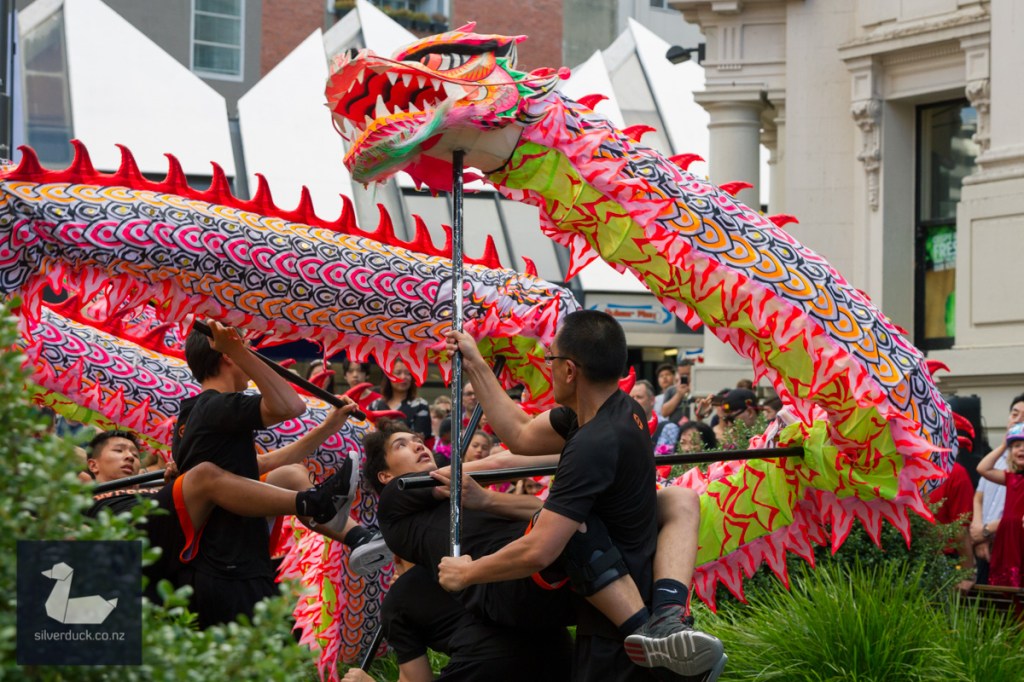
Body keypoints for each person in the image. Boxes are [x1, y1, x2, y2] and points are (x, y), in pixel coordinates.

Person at [444, 311, 724, 681]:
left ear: (570, 370)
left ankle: (665, 659)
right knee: (677, 497)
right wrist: (477, 365)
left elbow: (538, 550)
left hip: (615, 634)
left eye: (552, 360)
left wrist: (467, 572)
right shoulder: (624, 410)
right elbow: (522, 433)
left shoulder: (593, 444)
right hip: (639, 602)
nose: (549, 368)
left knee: (570, 526)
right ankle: (669, 623)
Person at [365, 422, 723, 681]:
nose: (417, 445)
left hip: (543, 557)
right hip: (504, 584)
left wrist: (487, 499)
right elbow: (500, 464)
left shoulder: (458, 488)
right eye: (402, 445)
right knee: (573, 527)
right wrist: (595, 448)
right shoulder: (395, 502)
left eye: (416, 439)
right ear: (384, 476)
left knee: (678, 499)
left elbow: (545, 510)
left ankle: (669, 616)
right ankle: (653, 642)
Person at [85, 429, 357, 602]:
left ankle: (359, 536)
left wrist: (175, 483)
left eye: (134, 452)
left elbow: (260, 464)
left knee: (291, 473)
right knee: (203, 474)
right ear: (93, 464)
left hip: (180, 538)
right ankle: (313, 505)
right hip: (132, 540)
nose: (130, 457)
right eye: (119, 451)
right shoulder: (82, 487)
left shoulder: (151, 485)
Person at [340, 558, 572, 682]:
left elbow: (417, 680)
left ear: (396, 556)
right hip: (561, 651)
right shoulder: (476, 549)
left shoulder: (397, 600)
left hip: (488, 663)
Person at [970, 394, 1024, 584]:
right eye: (1015, 415)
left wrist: (986, 530)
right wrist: (978, 533)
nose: (1018, 420)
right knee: (995, 594)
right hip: (990, 542)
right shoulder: (1001, 462)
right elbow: (979, 495)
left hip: (1010, 536)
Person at [369, 359, 431, 438]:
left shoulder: (420, 405)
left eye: (408, 374)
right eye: (398, 373)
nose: (403, 377)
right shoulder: (375, 405)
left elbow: (421, 437)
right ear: (388, 376)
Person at [629, 379, 679, 455]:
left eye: (639, 397)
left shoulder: (668, 428)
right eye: (632, 398)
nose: (634, 401)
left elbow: (668, 461)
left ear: (652, 400)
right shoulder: (625, 427)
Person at [659, 359, 694, 423]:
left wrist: (692, 390)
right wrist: (679, 394)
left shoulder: (698, 390)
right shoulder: (671, 390)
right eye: (682, 374)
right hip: (675, 428)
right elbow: (664, 413)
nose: (685, 377)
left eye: (687, 374)